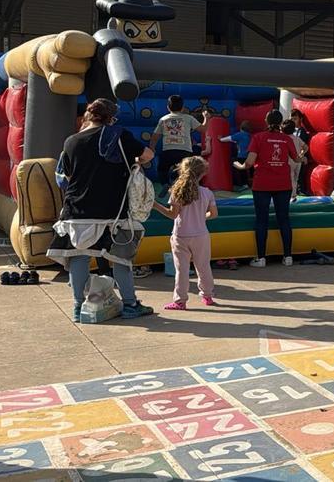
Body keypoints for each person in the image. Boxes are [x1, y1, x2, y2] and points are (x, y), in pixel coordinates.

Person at [48, 98, 155, 322]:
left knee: (79, 256)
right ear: (111, 117)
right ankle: (129, 304)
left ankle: (78, 307)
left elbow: (64, 176)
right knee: (121, 258)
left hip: (77, 209)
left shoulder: (71, 141)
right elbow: (148, 156)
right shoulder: (118, 135)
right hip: (112, 210)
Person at [234, 109, 300, 267]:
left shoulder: (258, 137)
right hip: (283, 183)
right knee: (284, 219)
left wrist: (239, 165)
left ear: (266, 121)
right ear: (280, 122)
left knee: (261, 220)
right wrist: (303, 155)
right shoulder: (286, 139)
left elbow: (249, 163)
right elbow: (296, 158)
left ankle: (261, 258)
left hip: (262, 183)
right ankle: (288, 257)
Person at [153, 157, 217, 310]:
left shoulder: (177, 191)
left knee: (181, 270)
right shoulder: (207, 193)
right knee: (203, 267)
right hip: (201, 234)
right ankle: (207, 295)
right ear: (203, 173)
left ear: (182, 170)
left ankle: (180, 300)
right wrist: (202, 217)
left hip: (180, 235)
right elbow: (213, 214)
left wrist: (156, 206)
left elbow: (173, 214)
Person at [149, 95, 207, 185]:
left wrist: (152, 147)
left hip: (168, 151)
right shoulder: (188, 118)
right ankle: (181, 185)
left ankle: (165, 184)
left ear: (168, 107)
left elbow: (155, 136)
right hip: (184, 151)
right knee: (184, 170)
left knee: (162, 169)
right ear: (183, 108)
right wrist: (206, 118)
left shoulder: (164, 119)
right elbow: (203, 129)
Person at [281, 119, 309, 202]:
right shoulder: (296, 138)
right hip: (298, 161)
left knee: (290, 178)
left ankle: (292, 195)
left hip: (289, 161)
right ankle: (293, 195)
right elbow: (306, 147)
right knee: (295, 178)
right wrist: (302, 154)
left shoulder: (284, 139)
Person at [220, 121, 253, 189]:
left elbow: (230, 138)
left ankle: (243, 184)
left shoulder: (240, 134)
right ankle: (250, 183)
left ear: (241, 128)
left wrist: (220, 139)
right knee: (249, 170)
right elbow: (236, 140)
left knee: (240, 169)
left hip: (241, 156)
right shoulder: (249, 135)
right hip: (249, 156)